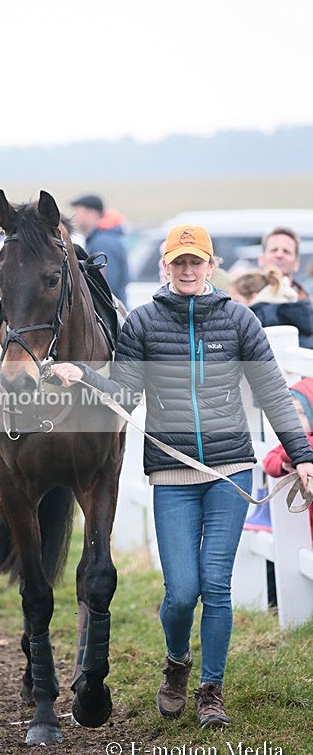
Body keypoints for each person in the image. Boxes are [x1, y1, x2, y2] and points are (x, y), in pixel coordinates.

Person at [51, 223, 313, 728]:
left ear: (211, 267)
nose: (188, 270)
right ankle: (176, 664)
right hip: (173, 475)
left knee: (216, 586)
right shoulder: (144, 323)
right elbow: (124, 394)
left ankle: (210, 689)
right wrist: (83, 376)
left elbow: (275, 394)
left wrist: (301, 454)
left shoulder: (239, 321)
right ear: (164, 267)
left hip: (229, 471)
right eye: (179, 262)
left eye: (196, 261)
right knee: (180, 592)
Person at [263, 377, 313, 544]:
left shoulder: (304, 442)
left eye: (300, 413)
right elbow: (268, 462)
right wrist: (284, 465)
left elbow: (288, 452)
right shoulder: (294, 441)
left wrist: (293, 453)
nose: (295, 420)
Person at [69, 194, 129, 306]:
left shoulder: (103, 242)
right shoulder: (102, 238)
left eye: (77, 212)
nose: (74, 217)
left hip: (110, 314)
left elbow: (105, 285)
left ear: (91, 213)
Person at [231, 267, 313, 348]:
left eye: (236, 301)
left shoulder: (259, 320)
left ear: (253, 296)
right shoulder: (290, 312)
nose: (232, 306)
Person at [258, 226, 308, 299]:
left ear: (296, 264)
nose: (279, 255)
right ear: (261, 259)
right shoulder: (244, 301)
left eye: (286, 251)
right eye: (274, 250)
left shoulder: (308, 306)